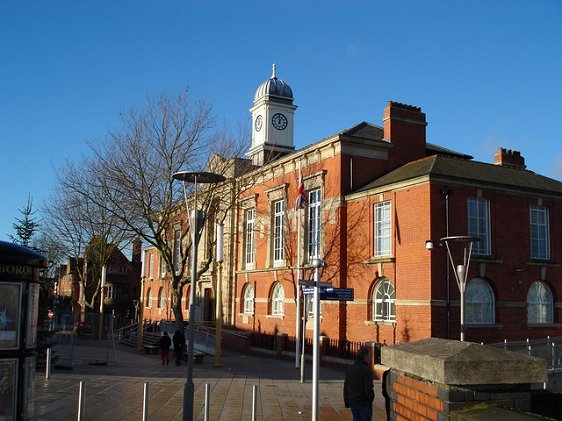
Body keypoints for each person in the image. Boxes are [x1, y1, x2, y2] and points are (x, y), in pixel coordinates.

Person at [344, 346, 375, 421]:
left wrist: (346, 401)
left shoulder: (350, 369)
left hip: (352, 401)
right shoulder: (366, 370)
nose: (370, 359)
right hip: (363, 401)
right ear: (365, 357)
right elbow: (368, 387)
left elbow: (346, 387)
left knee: (356, 418)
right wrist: (371, 397)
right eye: (369, 357)